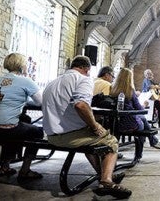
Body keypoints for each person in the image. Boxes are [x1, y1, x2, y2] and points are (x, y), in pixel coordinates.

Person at [42, 56, 131, 199]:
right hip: (68, 136)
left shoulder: (52, 82)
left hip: (51, 136)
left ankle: (103, 174)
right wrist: (95, 125)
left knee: (90, 138)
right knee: (111, 141)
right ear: (87, 69)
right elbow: (81, 105)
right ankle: (107, 181)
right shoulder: (82, 79)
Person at [0, 53, 43, 180]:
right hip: (6, 128)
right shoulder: (26, 81)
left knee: (22, 121)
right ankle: (25, 171)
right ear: (21, 66)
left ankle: (5, 167)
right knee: (37, 132)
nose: (27, 66)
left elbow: (2, 99)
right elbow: (40, 102)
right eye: (26, 63)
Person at [111, 68, 160, 157]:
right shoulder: (130, 91)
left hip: (113, 124)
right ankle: (140, 152)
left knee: (141, 118)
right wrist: (144, 105)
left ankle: (153, 140)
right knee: (142, 121)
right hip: (129, 124)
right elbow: (140, 109)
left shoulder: (112, 89)